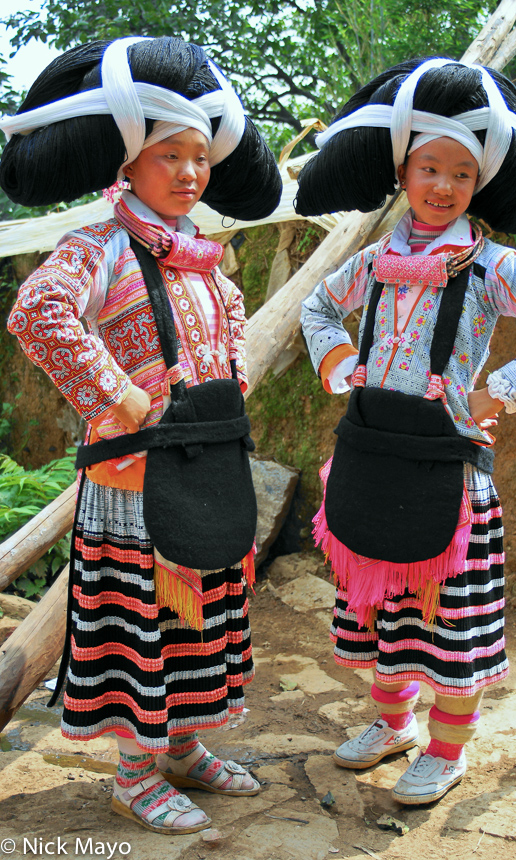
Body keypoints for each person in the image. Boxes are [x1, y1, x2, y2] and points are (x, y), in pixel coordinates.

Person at [1, 36, 282, 833]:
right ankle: (132, 774)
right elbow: (38, 314)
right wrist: (122, 395)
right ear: (126, 165)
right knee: (141, 627)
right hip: (130, 487)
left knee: (202, 618)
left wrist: (227, 383)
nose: (191, 173)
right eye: (170, 156)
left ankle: (184, 750)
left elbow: (229, 332)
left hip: (203, 471)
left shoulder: (202, 261)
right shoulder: (99, 247)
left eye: (200, 157)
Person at [296, 57, 516, 805]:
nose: (443, 185)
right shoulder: (375, 263)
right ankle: (392, 725)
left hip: (451, 477)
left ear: (478, 181)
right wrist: (336, 364)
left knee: (452, 628)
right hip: (369, 459)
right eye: (429, 167)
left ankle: (446, 751)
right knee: (378, 616)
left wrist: (504, 392)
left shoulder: (494, 267)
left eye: (460, 171)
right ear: (404, 171)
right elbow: (317, 310)